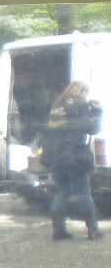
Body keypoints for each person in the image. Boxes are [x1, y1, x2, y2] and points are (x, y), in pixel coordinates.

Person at [42, 80, 103, 240]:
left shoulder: (57, 106)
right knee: (83, 191)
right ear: (81, 92)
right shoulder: (80, 104)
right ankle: (92, 230)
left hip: (57, 158)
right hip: (75, 156)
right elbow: (92, 128)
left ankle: (59, 230)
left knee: (62, 191)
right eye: (85, 93)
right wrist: (97, 112)